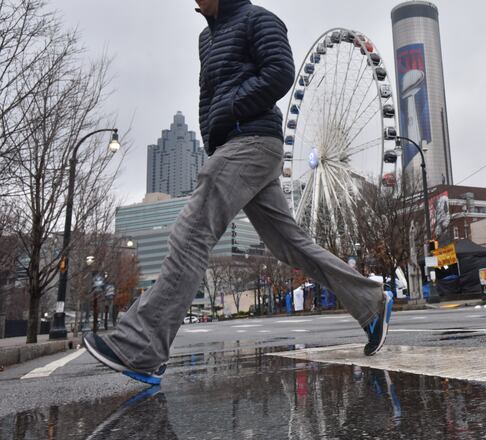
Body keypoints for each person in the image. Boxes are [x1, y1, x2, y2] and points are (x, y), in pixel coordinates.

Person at [82, 0, 392, 385]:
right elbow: (208, 96)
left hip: (254, 140)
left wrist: (232, 108)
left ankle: (142, 345)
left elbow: (280, 72)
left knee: (191, 233)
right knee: (289, 245)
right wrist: (213, 134)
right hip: (232, 144)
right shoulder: (206, 39)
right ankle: (370, 302)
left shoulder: (257, 19)